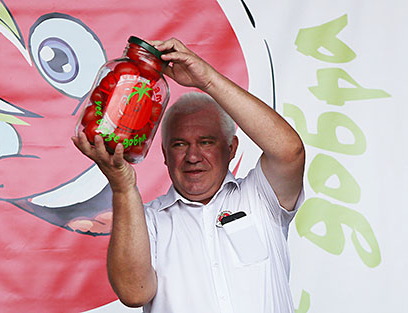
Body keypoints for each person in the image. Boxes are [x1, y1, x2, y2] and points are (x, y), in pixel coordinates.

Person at [72, 38, 305, 313]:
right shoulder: (147, 222)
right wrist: (123, 188)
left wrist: (206, 79)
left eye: (206, 142)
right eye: (179, 144)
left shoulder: (260, 198)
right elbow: (134, 292)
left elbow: (290, 151)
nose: (193, 156)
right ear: (164, 154)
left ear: (231, 149)